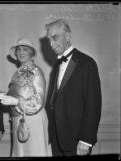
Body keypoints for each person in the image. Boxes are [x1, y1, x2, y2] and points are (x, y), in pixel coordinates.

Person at [45, 19, 102, 156]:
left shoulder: (87, 63)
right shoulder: (56, 65)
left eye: (55, 37)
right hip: (57, 139)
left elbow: (93, 104)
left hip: (77, 141)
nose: (51, 44)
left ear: (68, 36)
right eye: (49, 40)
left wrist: (86, 139)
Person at [0, 37, 52, 157]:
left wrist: (16, 101)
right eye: (18, 50)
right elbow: (18, 94)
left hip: (33, 118)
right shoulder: (18, 72)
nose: (20, 52)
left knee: (34, 151)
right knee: (21, 153)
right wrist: (4, 96)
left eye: (24, 49)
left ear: (31, 53)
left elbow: (39, 100)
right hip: (19, 119)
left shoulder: (37, 71)